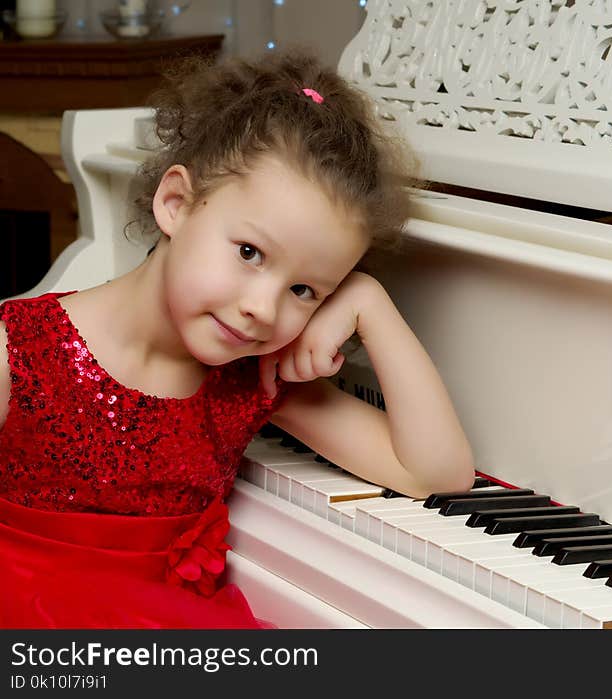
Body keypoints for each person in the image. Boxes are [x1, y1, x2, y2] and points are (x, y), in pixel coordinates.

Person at [0, 49, 475, 629]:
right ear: (176, 204)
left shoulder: (249, 375)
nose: (261, 309)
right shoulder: (19, 351)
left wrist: (370, 303)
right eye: (250, 253)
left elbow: (435, 471)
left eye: (304, 289)